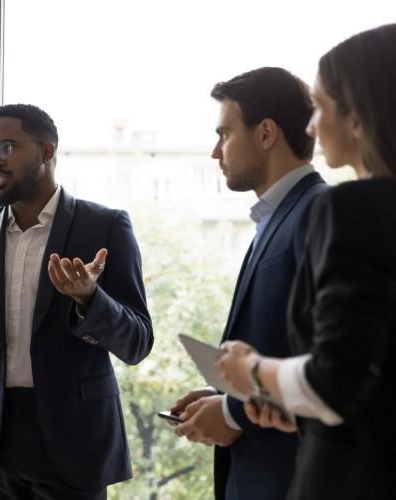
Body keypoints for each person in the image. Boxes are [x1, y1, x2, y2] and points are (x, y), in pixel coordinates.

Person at [0, 103, 153, 499]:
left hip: (74, 440)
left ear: (47, 151)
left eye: (7, 148)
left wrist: (90, 299)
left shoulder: (105, 227)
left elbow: (138, 343)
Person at [215, 23, 396, 500]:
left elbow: (337, 376)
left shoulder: (348, 208)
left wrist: (254, 373)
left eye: (319, 107)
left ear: (358, 116)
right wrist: (295, 403)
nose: (311, 126)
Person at [170, 67, 327, 500]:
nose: (214, 152)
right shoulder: (275, 218)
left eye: (224, 134)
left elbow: (328, 357)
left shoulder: (319, 214)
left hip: (289, 478)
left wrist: (233, 410)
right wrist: (222, 391)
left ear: (266, 134)